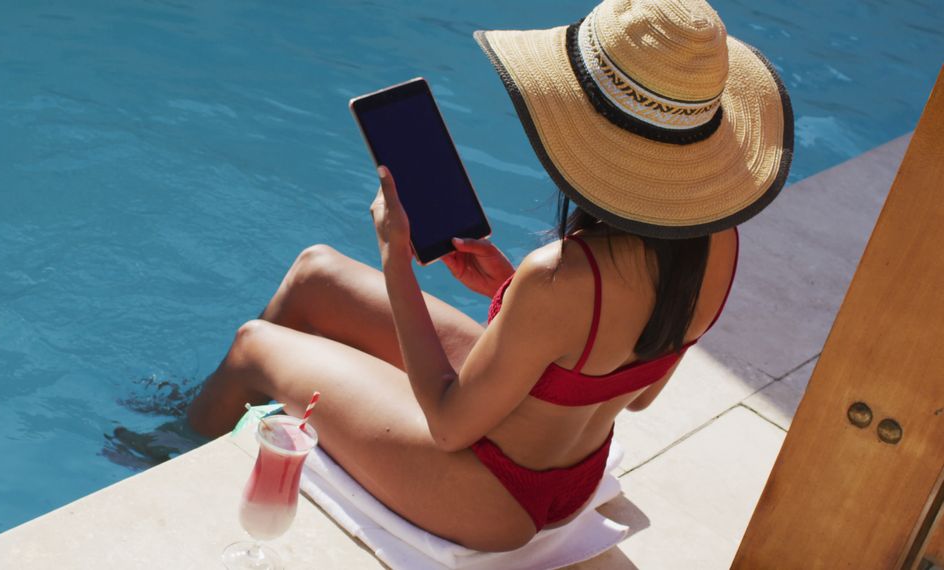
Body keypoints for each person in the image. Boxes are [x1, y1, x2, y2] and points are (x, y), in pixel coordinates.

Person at [188, 0, 792, 552]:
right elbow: (638, 391)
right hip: (568, 472)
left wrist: (397, 260)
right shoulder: (718, 242)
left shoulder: (562, 276)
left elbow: (450, 426)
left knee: (254, 345)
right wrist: (509, 296)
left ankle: (169, 452)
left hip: (489, 498)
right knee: (316, 273)